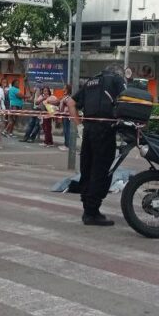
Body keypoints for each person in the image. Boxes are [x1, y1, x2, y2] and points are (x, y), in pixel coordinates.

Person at [65, 63, 127, 226]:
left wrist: (79, 126)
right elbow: (127, 102)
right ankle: (92, 212)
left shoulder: (91, 82)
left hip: (88, 130)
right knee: (102, 170)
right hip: (105, 130)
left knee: (87, 168)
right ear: (118, 73)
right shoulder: (116, 81)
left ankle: (88, 209)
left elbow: (70, 102)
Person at [59, 85, 73, 151]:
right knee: (65, 130)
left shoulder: (69, 97)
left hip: (67, 116)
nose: (63, 89)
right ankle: (66, 144)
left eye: (64, 88)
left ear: (67, 89)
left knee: (67, 131)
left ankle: (68, 145)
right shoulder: (65, 96)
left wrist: (65, 102)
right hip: (64, 115)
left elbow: (70, 104)